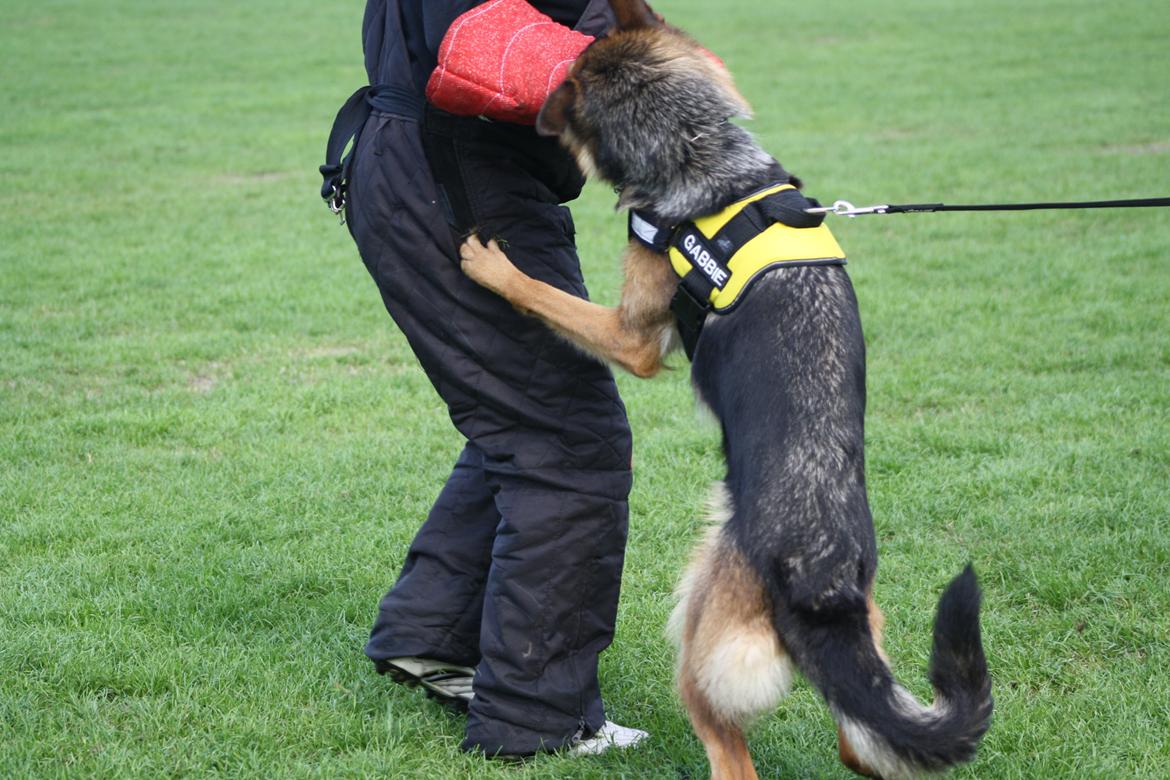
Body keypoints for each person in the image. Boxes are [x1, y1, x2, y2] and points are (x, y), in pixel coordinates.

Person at [321, 0, 646, 759]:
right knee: (570, 444)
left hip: (425, 168)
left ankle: (432, 632)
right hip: (456, 179)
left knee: (526, 417)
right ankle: (536, 718)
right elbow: (491, 45)